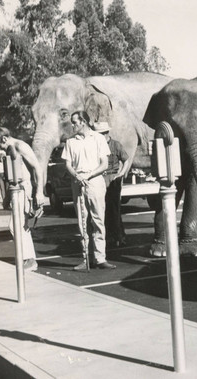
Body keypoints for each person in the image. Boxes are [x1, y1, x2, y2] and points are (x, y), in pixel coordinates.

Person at [62, 111, 116, 270]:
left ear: (83, 121)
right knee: (82, 222)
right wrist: (77, 176)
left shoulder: (98, 138)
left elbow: (104, 164)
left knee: (98, 219)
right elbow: (68, 164)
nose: (72, 125)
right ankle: (86, 258)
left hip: (95, 182)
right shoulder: (70, 142)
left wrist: (90, 175)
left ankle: (100, 258)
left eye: (75, 122)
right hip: (78, 183)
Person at [0, 127, 45, 271]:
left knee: (17, 225)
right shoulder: (11, 149)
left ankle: (29, 259)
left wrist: (39, 192)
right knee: (19, 225)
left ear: (4, 138)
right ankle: (27, 258)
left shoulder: (20, 146)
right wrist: (7, 197)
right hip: (17, 189)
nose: (1, 148)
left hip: (24, 188)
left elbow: (37, 168)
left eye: (0, 144)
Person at [92, 121, 131, 248]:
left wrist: (121, 174)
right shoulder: (95, 145)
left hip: (113, 179)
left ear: (106, 133)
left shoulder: (115, 145)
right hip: (99, 178)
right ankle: (109, 237)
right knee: (102, 209)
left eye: (101, 133)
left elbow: (126, 159)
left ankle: (119, 236)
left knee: (114, 209)